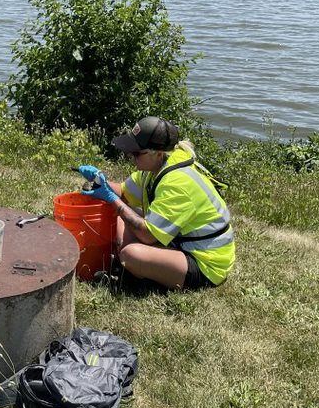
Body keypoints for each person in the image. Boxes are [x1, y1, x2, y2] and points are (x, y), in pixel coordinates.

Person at [78, 116, 235, 291]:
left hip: (205, 262)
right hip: (179, 243)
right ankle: (136, 267)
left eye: (137, 153)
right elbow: (124, 193)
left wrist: (110, 198)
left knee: (130, 255)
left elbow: (147, 235)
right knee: (119, 217)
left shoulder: (177, 183)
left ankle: (136, 278)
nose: (131, 156)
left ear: (158, 153)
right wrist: (101, 181)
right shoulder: (154, 167)